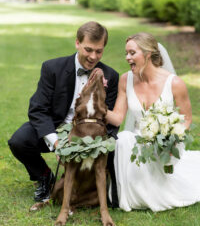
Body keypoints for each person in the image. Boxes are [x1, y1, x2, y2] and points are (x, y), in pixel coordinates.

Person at [8, 21, 119, 205]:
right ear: (77, 43)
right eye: (88, 49)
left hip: (89, 134)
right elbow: (38, 109)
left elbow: (109, 120)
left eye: (99, 51)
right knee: (19, 140)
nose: (93, 56)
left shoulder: (110, 76)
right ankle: (44, 176)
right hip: (55, 126)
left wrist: (96, 143)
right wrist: (57, 143)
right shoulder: (52, 68)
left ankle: (96, 189)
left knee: (114, 148)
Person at [106, 32, 200, 212]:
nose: (127, 58)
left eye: (132, 53)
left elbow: (187, 119)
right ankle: (125, 195)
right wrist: (96, 107)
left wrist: (172, 139)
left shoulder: (175, 83)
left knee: (130, 142)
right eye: (126, 53)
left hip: (167, 143)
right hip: (137, 140)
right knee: (124, 138)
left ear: (148, 54)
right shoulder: (126, 80)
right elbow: (118, 117)